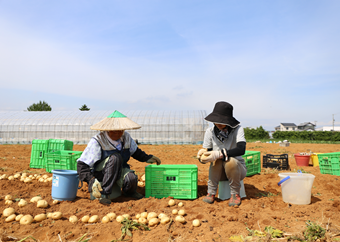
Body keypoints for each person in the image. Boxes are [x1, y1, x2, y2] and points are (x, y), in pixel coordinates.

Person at [77, 110, 161, 205]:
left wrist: (147, 158)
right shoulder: (98, 141)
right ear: (107, 130)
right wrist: (91, 180)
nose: (118, 133)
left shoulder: (126, 137)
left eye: (120, 130)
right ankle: (105, 194)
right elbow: (81, 165)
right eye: (114, 131)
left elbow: (135, 151)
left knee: (131, 178)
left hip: (120, 169)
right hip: (102, 172)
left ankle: (130, 192)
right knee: (115, 158)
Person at [197, 101, 247, 207]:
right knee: (216, 161)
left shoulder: (238, 130)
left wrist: (220, 153)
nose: (218, 123)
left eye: (222, 121)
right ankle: (211, 192)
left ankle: (235, 194)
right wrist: (202, 156)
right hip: (218, 173)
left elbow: (241, 149)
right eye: (216, 121)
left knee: (230, 161)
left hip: (237, 171)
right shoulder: (209, 132)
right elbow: (208, 152)